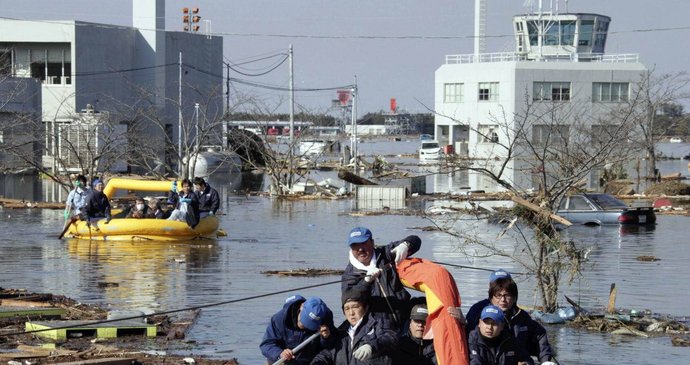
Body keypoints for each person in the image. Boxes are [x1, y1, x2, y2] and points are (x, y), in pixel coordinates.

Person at [341, 226, 422, 329]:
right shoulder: (349, 274)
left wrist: (406, 245)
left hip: (405, 317)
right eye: (355, 245)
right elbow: (350, 299)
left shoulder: (385, 254)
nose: (360, 249)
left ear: (372, 243)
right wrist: (366, 281)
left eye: (364, 243)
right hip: (379, 327)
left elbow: (415, 240)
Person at [466, 269, 554, 363]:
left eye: (507, 295)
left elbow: (539, 337)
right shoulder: (477, 311)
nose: (503, 300)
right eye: (498, 294)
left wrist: (545, 361)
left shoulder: (522, 317)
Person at [310, 287, 397, 365]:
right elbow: (327, 354)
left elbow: (390, 338)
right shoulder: (341, 334)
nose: (351, 313)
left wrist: (371, 346)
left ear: (365, 308)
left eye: (355, 307)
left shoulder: (379, 323)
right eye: (347, 308)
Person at [260, 295, 335, 365]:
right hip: (282, 361)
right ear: (301, 306)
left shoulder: (326, 319)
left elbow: (330, 348)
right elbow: (266, 345)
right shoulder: (279, 319)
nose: (304, 325)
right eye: (304, 320)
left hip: (310, 361)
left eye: (311, 324)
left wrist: (326, 338)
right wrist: (280, 353)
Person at [468, 305, 533, 365]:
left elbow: (527, 359)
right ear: (479, 323)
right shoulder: (471, 340)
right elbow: (475, 362)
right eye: (486, 323)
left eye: (494, 324)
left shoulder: (510, 340)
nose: (489, 327)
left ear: (502, 326)